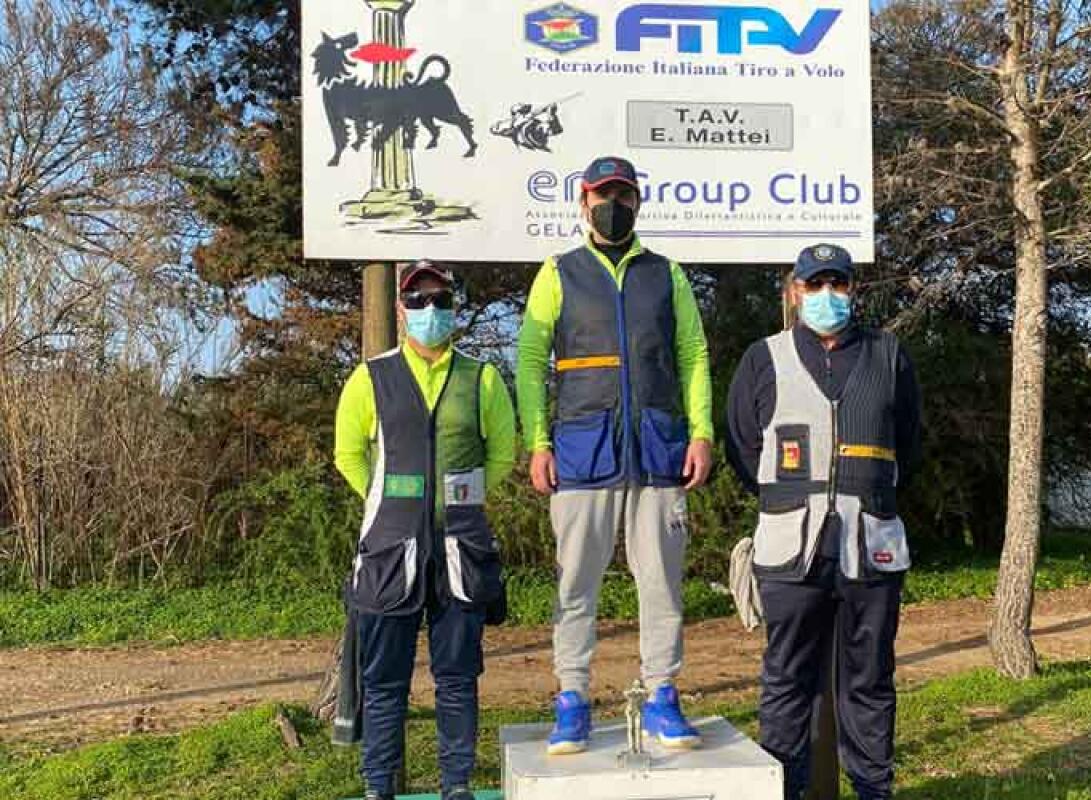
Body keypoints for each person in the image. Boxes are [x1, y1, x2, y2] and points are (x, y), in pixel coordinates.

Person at [516, 156, 714, 754]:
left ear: (637, 201)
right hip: (581, 453)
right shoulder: (558, 272)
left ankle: (661, 695)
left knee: (662, 584)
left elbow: (694, 357)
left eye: (624, 194)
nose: (614, 204)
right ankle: (572, 698)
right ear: (583, 200)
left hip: (658, 453)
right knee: (576, 584)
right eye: (604, 194)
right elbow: (529, 364)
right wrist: (538, 443)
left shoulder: (667, 273)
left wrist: (700, 432)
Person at [725, 244, 922, 800]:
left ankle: (873, 790)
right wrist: (787, 500)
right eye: (815, 285)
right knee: (785, 681)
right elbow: (742, 446)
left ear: (854, 291)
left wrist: (872, 496)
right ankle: (785, 790)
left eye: (838, 284)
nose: (827, 296)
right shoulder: (762, 358)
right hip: (790, 548)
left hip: (872, 542)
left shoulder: (890, 355)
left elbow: (910, 444)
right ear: (795, 291)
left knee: (870, 682)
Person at [334, 261, 516, 800]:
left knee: (458, 680)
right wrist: (388, 500)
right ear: (400, 309)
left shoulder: (482, 377)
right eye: (418, 300)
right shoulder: (371, 377)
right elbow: (348, 454)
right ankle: (378, 786)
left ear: (453, 308)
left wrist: (460, 503)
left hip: (462, 551)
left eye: (439, 299)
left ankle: (456, 784)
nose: (429, 310)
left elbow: (502, 454)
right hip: (391, 550)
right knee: (384, 682)